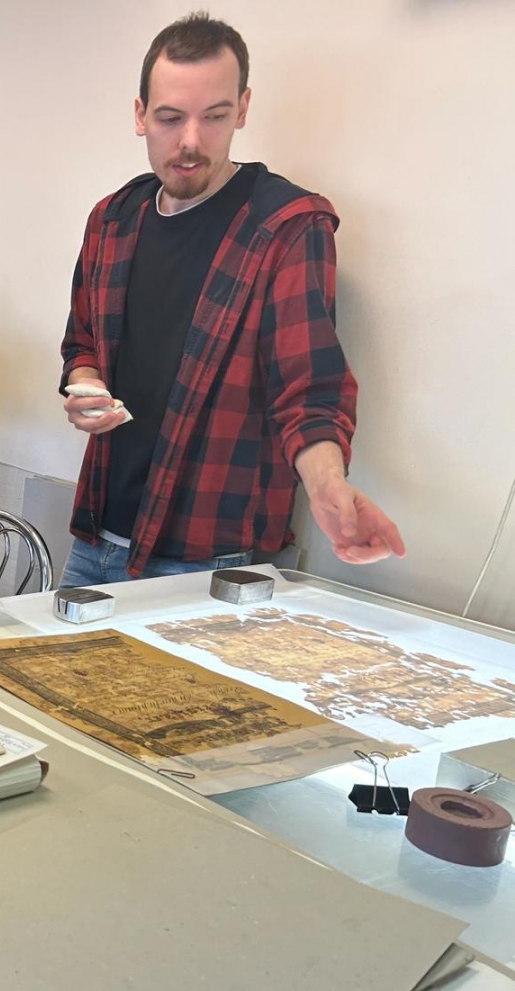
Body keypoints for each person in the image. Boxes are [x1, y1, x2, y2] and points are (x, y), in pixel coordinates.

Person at [58, 12, 404, 587]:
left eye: (215, 116)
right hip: (97, 537)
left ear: (242, 108)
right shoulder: (113, 219)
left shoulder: (286, 226)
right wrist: (86, 384)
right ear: (140, 115)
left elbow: (309, 389)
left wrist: (327, 486)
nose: (191, 141)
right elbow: (82, 343)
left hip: (216, 558)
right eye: (170, 117)